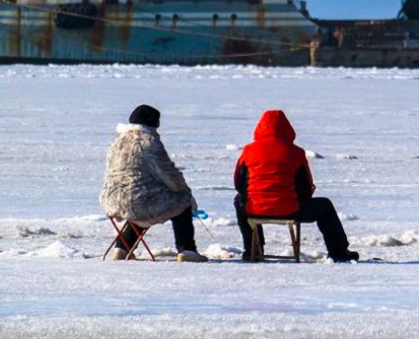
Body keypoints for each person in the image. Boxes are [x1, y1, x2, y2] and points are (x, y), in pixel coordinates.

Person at [234, 110, 359, 263]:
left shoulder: (248, 151)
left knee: (239, 200)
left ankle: (252, 249)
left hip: (256, 210)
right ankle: (338, 252)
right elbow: (306, 185)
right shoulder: (296, 152)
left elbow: (238, 183)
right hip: (291, 210)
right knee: (325, 206)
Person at [100, 104, 208, 263]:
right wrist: (186, 193)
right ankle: (187, 250)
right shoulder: (148, 141)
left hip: (111, 200)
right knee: (180, 203)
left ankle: (122, 247)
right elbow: (167, 172)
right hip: (137, 202)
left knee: (141, 203)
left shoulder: (117, 142)